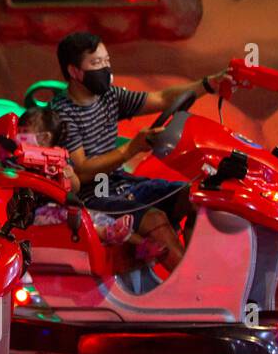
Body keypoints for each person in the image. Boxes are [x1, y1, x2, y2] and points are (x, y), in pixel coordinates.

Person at [49, 32, 227, 273]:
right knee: (154, 218)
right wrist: (131, 148)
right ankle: (194, 286)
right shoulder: (61, 113)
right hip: (93, 195)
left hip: (124, 183)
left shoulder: (109, 96)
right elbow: (82, 171)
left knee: (195, 197)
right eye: (96, 63)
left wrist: (208, 84)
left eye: (106, 61)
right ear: (74, 72)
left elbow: (162, 98)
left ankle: (201, 270)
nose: (105, 68)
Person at [16, 107, 172, 264]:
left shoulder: (58, 155)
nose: (18, 136)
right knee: (70, 217)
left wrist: (65, 173)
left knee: (90, 215)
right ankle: (106, 232)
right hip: (34, 213)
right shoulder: (17, 158)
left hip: (57, 207)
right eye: (19, 131)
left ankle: (140, 244)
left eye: (24, 132)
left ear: (44, 138)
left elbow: (74, 187)